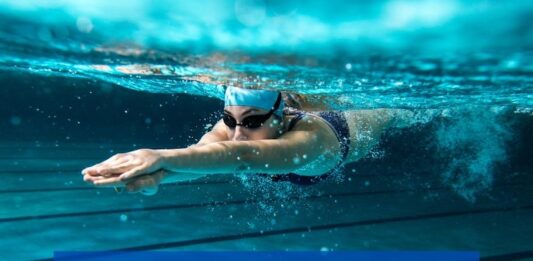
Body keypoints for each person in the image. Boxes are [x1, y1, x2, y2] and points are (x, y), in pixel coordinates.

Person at [82, 86, 408, 195]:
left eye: (252, 121)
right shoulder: (235, 128)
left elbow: (243, 156)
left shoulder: (311, 139)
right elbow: (201, 157)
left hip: (359, 125)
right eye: (229, 119)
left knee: (396, 111)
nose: (237, 132)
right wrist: (156, 177)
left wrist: (156, 155)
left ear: (280, 117)